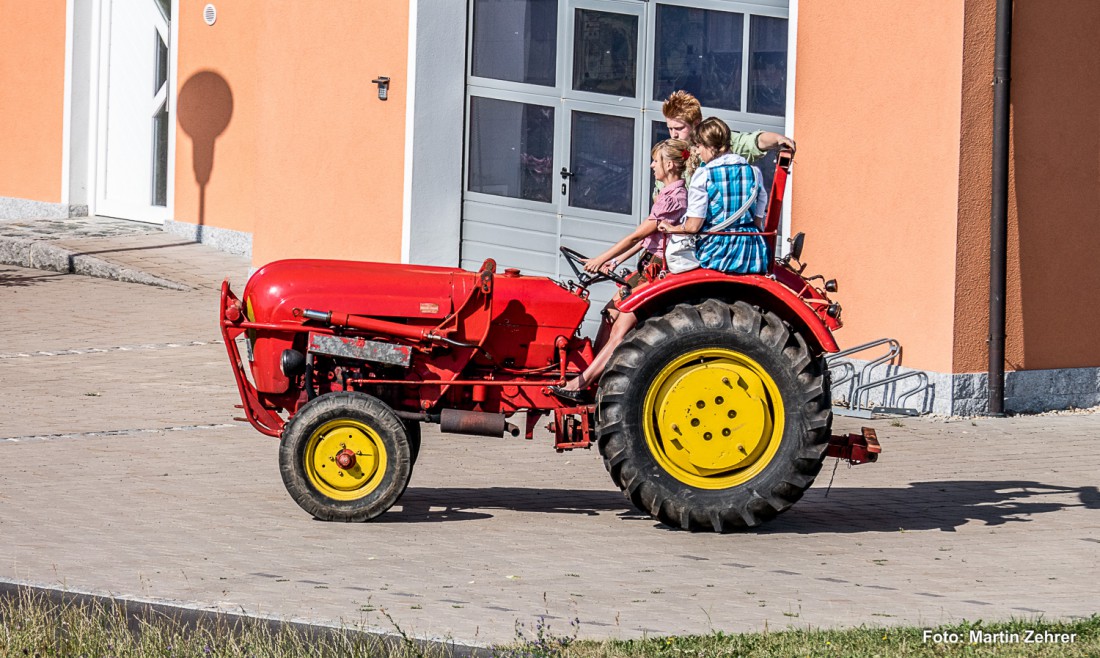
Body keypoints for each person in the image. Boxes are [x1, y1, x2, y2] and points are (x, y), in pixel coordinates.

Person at [549, 139, 691, 402]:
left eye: (655, 160)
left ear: (669, 164)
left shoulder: (676, 197)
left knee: (621, 327)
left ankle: (583, 384)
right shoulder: (667, 194)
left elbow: (637, 236)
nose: (651, 165)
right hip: (647, 264)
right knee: (610, 313)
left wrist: (600, 257)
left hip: (658, 270)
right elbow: (648, 242)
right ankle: (591, 372)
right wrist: (614, 262)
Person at [658, 118, 769, 274]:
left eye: (698, 146)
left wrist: (672, 228)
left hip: (719, 253)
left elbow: (693, 226)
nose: (696, 151)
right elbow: (758, 221)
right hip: (752, 253)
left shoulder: (704, 174)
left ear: (711, 146)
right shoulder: (754, 172)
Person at [661, 90, 795, 184]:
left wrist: (778, 139)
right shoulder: (669, 151)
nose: (673, 134)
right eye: (670, 128)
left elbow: (754, 141)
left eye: (679, 128)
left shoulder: (718, 141)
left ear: (696, 123)